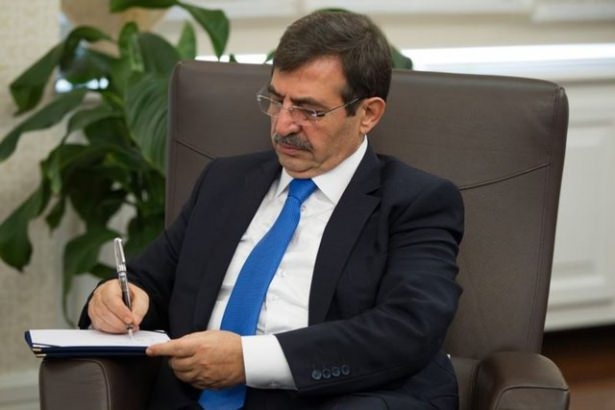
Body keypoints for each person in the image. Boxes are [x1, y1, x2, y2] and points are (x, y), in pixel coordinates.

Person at [80, 9, 464, 410]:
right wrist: (116, 298)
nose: (282, 125)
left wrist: (248, 361)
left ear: (367, 113)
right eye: (276, 101)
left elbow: (409, 327)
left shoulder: (415, 202)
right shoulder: (225, 182)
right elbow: (148, 279)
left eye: (309, 110)